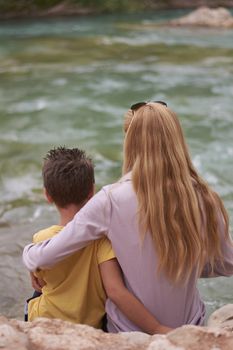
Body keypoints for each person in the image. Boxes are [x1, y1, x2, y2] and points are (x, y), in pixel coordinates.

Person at [23, 102, 233, 332]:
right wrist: (175, 263)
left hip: (129, 332)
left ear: (129, 142)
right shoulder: (205, 196)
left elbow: (45, 256)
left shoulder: (111, 199)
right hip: (189, 325)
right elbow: (226, 264)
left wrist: (30, 257)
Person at [24, 146, 170, 334]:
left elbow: (40, 282)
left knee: (36, 295)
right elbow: (116, 291)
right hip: (89, 327)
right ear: (91, 192)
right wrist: (156, 327)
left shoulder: (41, 239)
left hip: (44, 322)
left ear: (47, 195)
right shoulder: (102, 241)